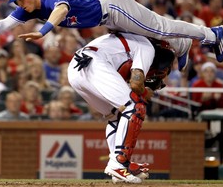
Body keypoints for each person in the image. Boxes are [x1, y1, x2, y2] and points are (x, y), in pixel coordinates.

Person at [0, 0, 223, 72]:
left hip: (112, 7)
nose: (20, 4)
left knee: (160, 27)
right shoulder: (29, 7)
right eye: (17, 1)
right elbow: (5, 23)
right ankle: (181, 45)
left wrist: (44, 31)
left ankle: (212, 34)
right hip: (106, 17)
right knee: (151, 37)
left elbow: (61, 9)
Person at [67, 32, 175, 183]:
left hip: (77, 71)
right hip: (94, 63)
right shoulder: (147, 47)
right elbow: (136, 84)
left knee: (117, 115)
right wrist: (145, 92)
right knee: (135, 107)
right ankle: (119, 163)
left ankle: (119, 167)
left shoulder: (133, 45)